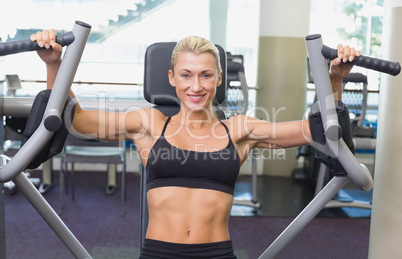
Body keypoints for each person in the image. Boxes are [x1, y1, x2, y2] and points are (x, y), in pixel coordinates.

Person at [32, 29, 359, 258]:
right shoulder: (149, 124)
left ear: (218, 79)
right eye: (186, 75)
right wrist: (53, 65)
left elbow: (322, 131)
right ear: (172, 77)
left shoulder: (240, 130)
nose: (196, 86)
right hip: (158, 254)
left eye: (205, 75)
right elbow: (75, 119)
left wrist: (334, 79)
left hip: (216, 254)